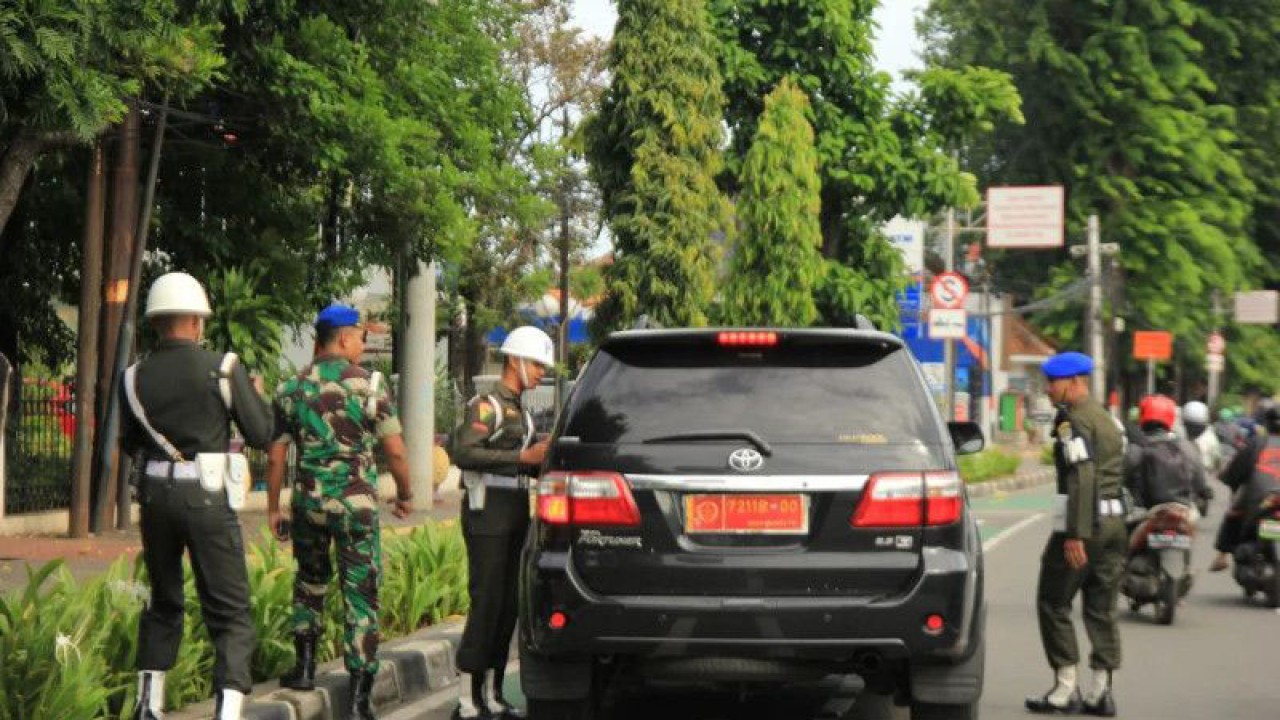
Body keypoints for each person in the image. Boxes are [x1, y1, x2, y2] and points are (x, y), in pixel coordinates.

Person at [122, 272, 275, 720]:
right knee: (229, 609)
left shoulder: (132, 377)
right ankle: (227, 711)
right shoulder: (222, 367)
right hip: (206, 496)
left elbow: (128, 442)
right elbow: (261, 433)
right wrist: (257, 399)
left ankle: (148, 705)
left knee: (163, 600)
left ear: (155, 322)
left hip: (155, 498)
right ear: (195, 320)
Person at [267, 303, 414, 720]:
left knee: (310, 582)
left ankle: (304, 668)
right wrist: (405, 493)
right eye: (361, 338)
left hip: (309, 504)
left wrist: (274, 508)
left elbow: (275, 456)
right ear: (345, 338)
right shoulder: (369, 386)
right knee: (360, 593)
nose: (363, 346)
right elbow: (396, 451)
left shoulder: (290, 388)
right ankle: (358, 700)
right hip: (356, 508)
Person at [451, 326, 554, 720]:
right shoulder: (487, 405)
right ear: (515, 361)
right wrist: (523, 459)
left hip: (514, 512)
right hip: (487, 514)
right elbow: (464, 451)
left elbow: (522, 464)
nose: (542, 373)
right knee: (487, 602)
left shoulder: (522, 411)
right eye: (537, 365)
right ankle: (467, 700)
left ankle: (493, 694)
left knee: (509, 605)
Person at [1025, 352, 1126, 717]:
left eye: (1052, 382)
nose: (1048, 390)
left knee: (1053, 601)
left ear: (1073, 382)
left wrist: (1075, 535)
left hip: (1086, 524)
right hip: (1115, 524)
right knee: (1102, 607)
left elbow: (1082, 475)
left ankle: (1065, 689)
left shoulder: (1073, 422)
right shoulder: (1106, 418)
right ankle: (1101, 691)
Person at [1209, 401, 1280, 572]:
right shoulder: (1254, 439)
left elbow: (1236, 470)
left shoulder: (1257, 442)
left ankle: (1222, 555)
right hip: (1266, 501)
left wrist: (1231, 483)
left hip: (1260, 499)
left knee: (1234, 512)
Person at [1127, 395, 1212, 517]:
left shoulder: (1135, 448)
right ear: (1171, 418)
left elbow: (1121, 480)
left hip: (1144, 513)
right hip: (1181, 513)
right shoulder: (1187, 447)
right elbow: (1200, 483)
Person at [1181, 400, 1224, 478]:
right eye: (1189, 426)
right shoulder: (1211, 437)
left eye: (1196, 427)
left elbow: (1217, 464)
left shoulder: (1210, 440)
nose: (1192, 430)